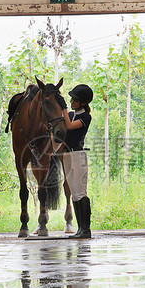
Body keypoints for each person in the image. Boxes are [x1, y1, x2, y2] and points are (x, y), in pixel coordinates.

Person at [61, 84, 93, 239]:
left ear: (83, 103)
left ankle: (86, 229)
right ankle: (80, 229)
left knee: (81, 192)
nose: (72, 101)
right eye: (72, 98)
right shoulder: (71, 114)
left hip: (78, 155)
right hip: (66, 155)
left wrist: (64, 109)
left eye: (75, 99)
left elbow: (68, 126)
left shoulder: (85, 117)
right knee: (73, 193)